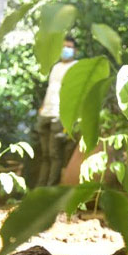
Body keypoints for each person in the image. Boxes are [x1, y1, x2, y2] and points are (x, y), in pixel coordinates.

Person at [36, 36, 76, 186]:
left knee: (54, 155)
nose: (66, 50)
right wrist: (41, 108)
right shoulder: (56, 67)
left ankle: (49, 191)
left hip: (59, 115)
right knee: (45, 155)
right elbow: (50, 89)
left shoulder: (75, 67)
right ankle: (40, 190)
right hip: (45, 112)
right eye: (64, 46)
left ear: (75, 50)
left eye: (69, 47)